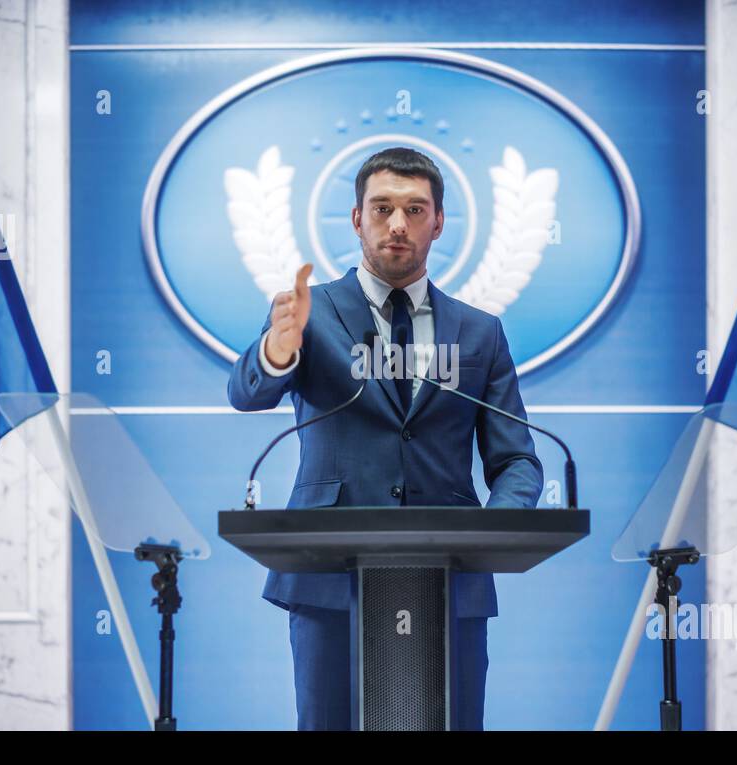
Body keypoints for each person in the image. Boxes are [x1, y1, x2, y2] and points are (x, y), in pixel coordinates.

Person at [227, 147, 543, 730]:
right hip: (328, 578)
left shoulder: (480, 332)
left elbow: (516, 458)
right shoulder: (309, 313)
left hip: (451, 578)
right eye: (382, 208)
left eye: (415, 209)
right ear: (357, 219)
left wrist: (496, 528)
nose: (398, 224)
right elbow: (248, 393)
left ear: (438, 222)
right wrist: (276, 348)